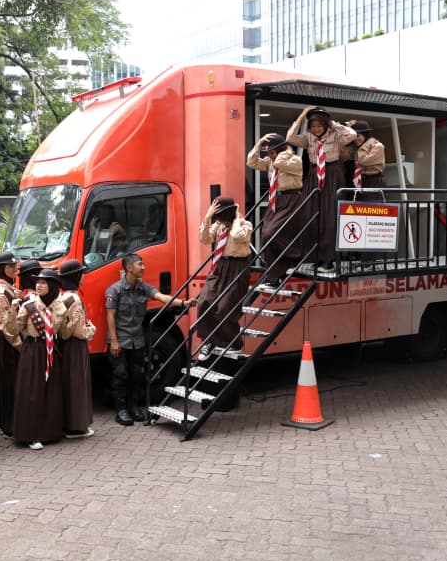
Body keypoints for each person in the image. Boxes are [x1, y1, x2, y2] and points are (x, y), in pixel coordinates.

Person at [105, 254, 195, 426]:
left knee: (136, 375)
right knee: (120, 376)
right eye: (140, 264)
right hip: (120, 341)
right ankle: (121, 410)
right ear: (129, 268)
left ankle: (133, 407)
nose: (144, 267)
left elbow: (162, 297)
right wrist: (114, 341)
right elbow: (110, 317)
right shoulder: (114, 290)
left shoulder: (143, 288)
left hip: (137, 340)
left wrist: (184, 303)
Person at [288, 107, 358, 274]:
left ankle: (329, 259)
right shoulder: (308, 138)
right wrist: (302, 115)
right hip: (313, 175)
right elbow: (290, 137)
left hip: (332, 174)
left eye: (319, 125)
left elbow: (352, 135)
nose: (316, 129)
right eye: (313, 126)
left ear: (326, 125)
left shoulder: (336, 135)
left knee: (329, 216)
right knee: (310, 214)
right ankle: (314, 257)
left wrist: (334, 125)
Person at [6, 268, 70, 449]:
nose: (39, 285)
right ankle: (31, 435)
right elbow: (12, 330)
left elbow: (64, 334)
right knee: (32, 393)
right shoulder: (29, 305)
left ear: (54, 286)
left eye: (43, 282)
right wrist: (12, 308)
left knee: (50, 392)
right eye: (38, 282)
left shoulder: (61, 307)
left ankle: (50, 432)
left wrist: (77, 322)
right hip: (32, 351)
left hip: (50, 352)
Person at [195, 196, 252, 358]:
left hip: (237, 267)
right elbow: (204, 239)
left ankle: (232, 342)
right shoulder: (218, 225)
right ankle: (208, 341)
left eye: (222, 216)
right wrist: (207, 217)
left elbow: (237, 236)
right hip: (219, 266)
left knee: (224, 307)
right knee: (204, 301)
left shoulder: (246, 225)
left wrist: (236, 218)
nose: (220, 220)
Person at [247, 132, 304, 281]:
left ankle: (292, 260)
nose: (270, 155)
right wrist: (259, 144)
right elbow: (251, 163)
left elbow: (280, 164)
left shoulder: (294, 160)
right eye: (268, 152)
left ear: (280, 150)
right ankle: (275, 271)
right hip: (275, 201)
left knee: (273, 233)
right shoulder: (270, 161)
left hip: (290, 199)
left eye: (272, 151)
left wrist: (286, 152)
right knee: (265, 234)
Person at [57, 260, 95, 439]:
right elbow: (79, 331)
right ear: (75, 277)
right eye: (81, 273)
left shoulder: (62, 297)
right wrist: (91, 330)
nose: (84, 276)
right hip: (75, 346)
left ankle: (67, 423)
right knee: (77, 383)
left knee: (68, 382)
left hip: (65, 345)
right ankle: (76, 426)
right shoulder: (74, 299)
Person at [0, 252, 22, 439]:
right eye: (9, 266)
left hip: (9, 342)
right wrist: (19, 345)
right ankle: (7, 424)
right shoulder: (1, 293)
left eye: (14, 266)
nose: (14, 269)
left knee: (11, 382)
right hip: (6, 344)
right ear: (1, 269)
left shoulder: (8, 289)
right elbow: (3, 325)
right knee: (7, 384)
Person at [348, 120, 387, 190]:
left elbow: (363, 160)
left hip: (374, 181)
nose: (355, 139)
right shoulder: (357, 148)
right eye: (354, 137)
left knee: (373, 201)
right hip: (361, 181)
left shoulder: (377, 145)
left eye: (358, 135)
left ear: (365, 134)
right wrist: (346, 126)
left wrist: (365, 145)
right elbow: (343, 154)